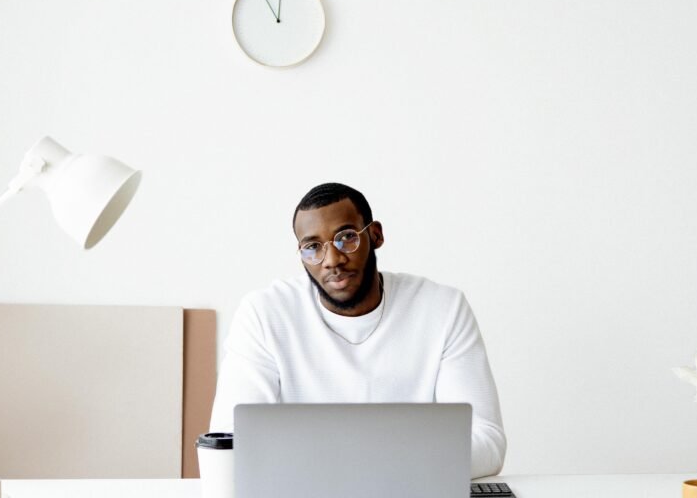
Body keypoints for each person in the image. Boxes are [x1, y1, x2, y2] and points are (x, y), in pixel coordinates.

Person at [209, 183, 506, 478]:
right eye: (313, 247)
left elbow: (487, 441)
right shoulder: (264, 314)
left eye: (346, 238)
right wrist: (394, 461)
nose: (332, 260)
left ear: (375, 236)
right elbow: (228, 444)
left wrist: (355, 466)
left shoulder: (442, 308)